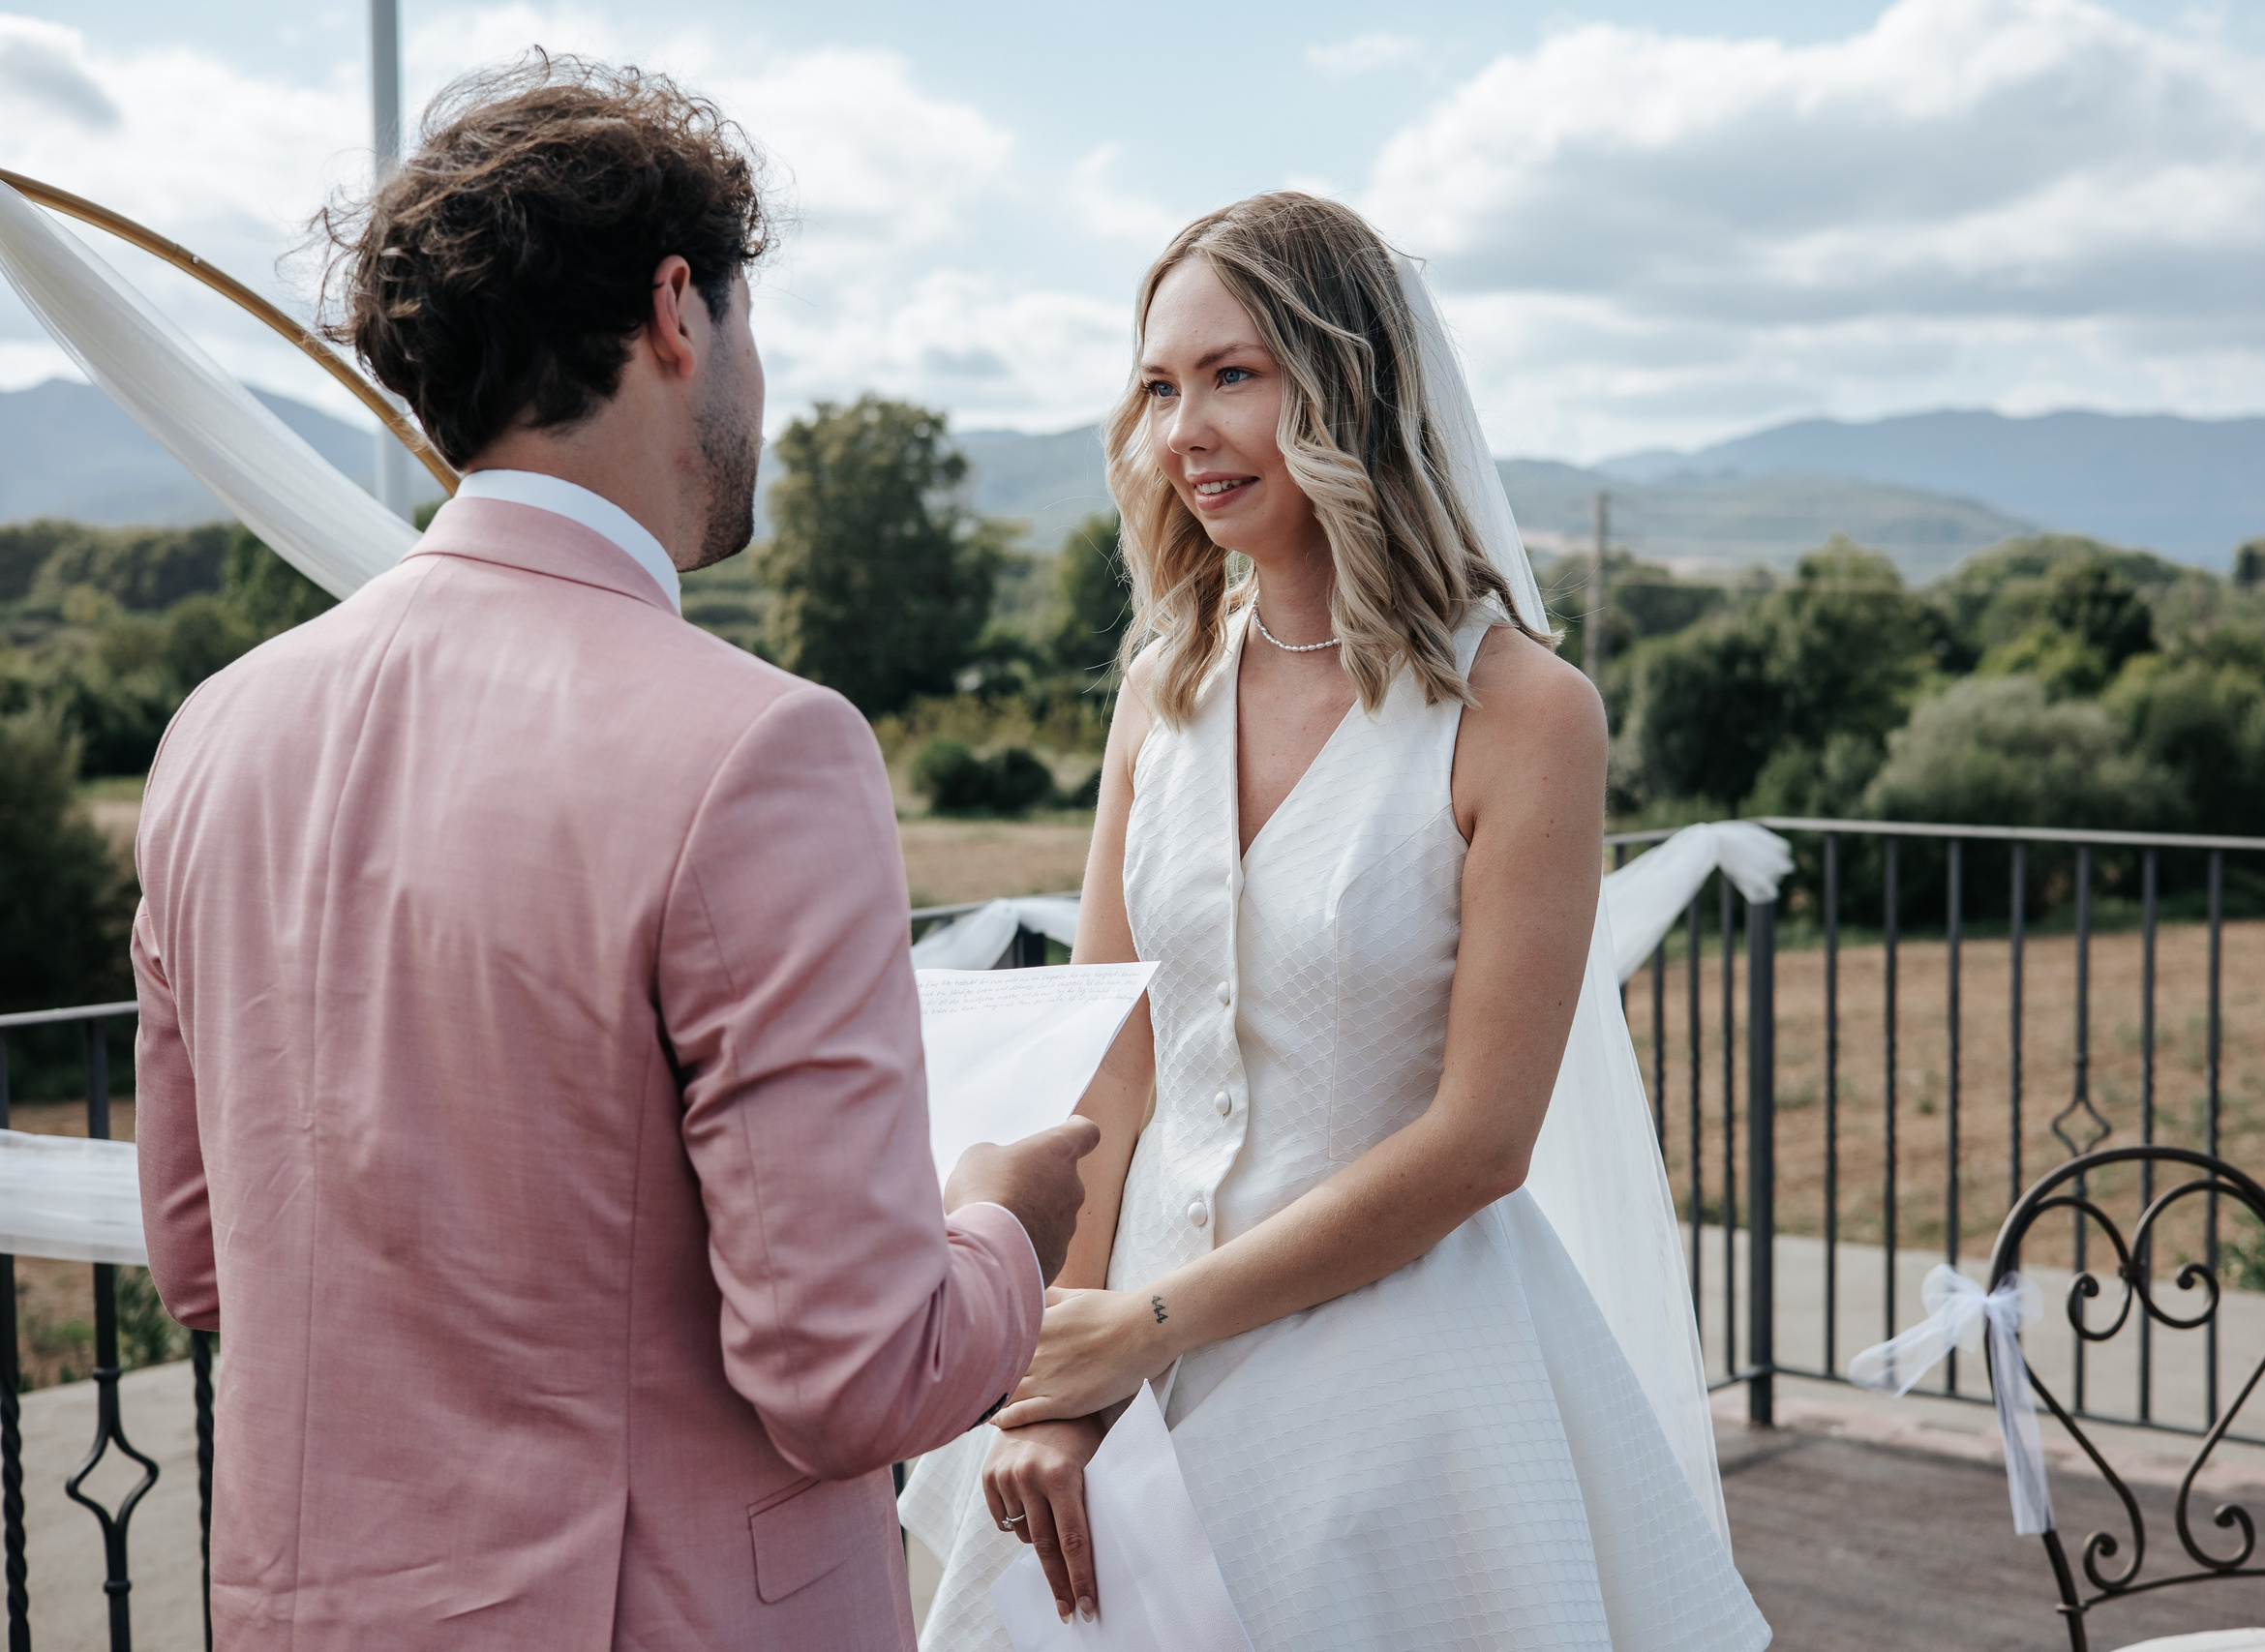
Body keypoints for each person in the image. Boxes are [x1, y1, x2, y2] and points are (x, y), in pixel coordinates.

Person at [130, 59, 1095, 1650]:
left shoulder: (214, 735)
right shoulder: (760, 750)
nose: (757, 382)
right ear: (676, 313)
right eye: (748, 321)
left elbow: (204, 1259)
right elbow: (855, 1376)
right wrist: (1000, 1228)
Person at [898, 193, 1770, 1651]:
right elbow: (1108, 1061)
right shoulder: (1158, 693)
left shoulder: (1524, 716)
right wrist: (1062, 1377)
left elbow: (1482, 1141)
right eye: (1161, 388)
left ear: (1349, 384)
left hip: (1398, 1386)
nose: (1184, 431)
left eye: (1234, 375)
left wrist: (1151, 1330)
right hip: (1129, 1362)